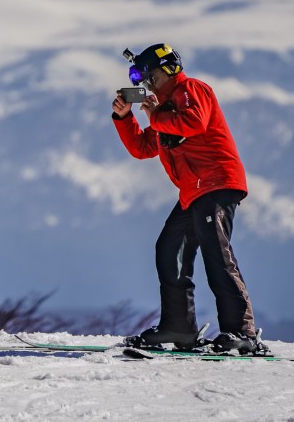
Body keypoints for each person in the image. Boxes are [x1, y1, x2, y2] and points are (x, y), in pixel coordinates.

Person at [111, 43, 264, 354]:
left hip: (218, 183)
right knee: (169, 249)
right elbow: (143, 149)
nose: (145, 84)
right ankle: (178, 327)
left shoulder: (191, 90)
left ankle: (242, 333)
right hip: (194, 192)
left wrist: (155, 115)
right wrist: (125, 118)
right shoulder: (163, 109)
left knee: (215, 253)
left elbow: (194, 122)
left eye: (149, 75)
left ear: (167, 69)